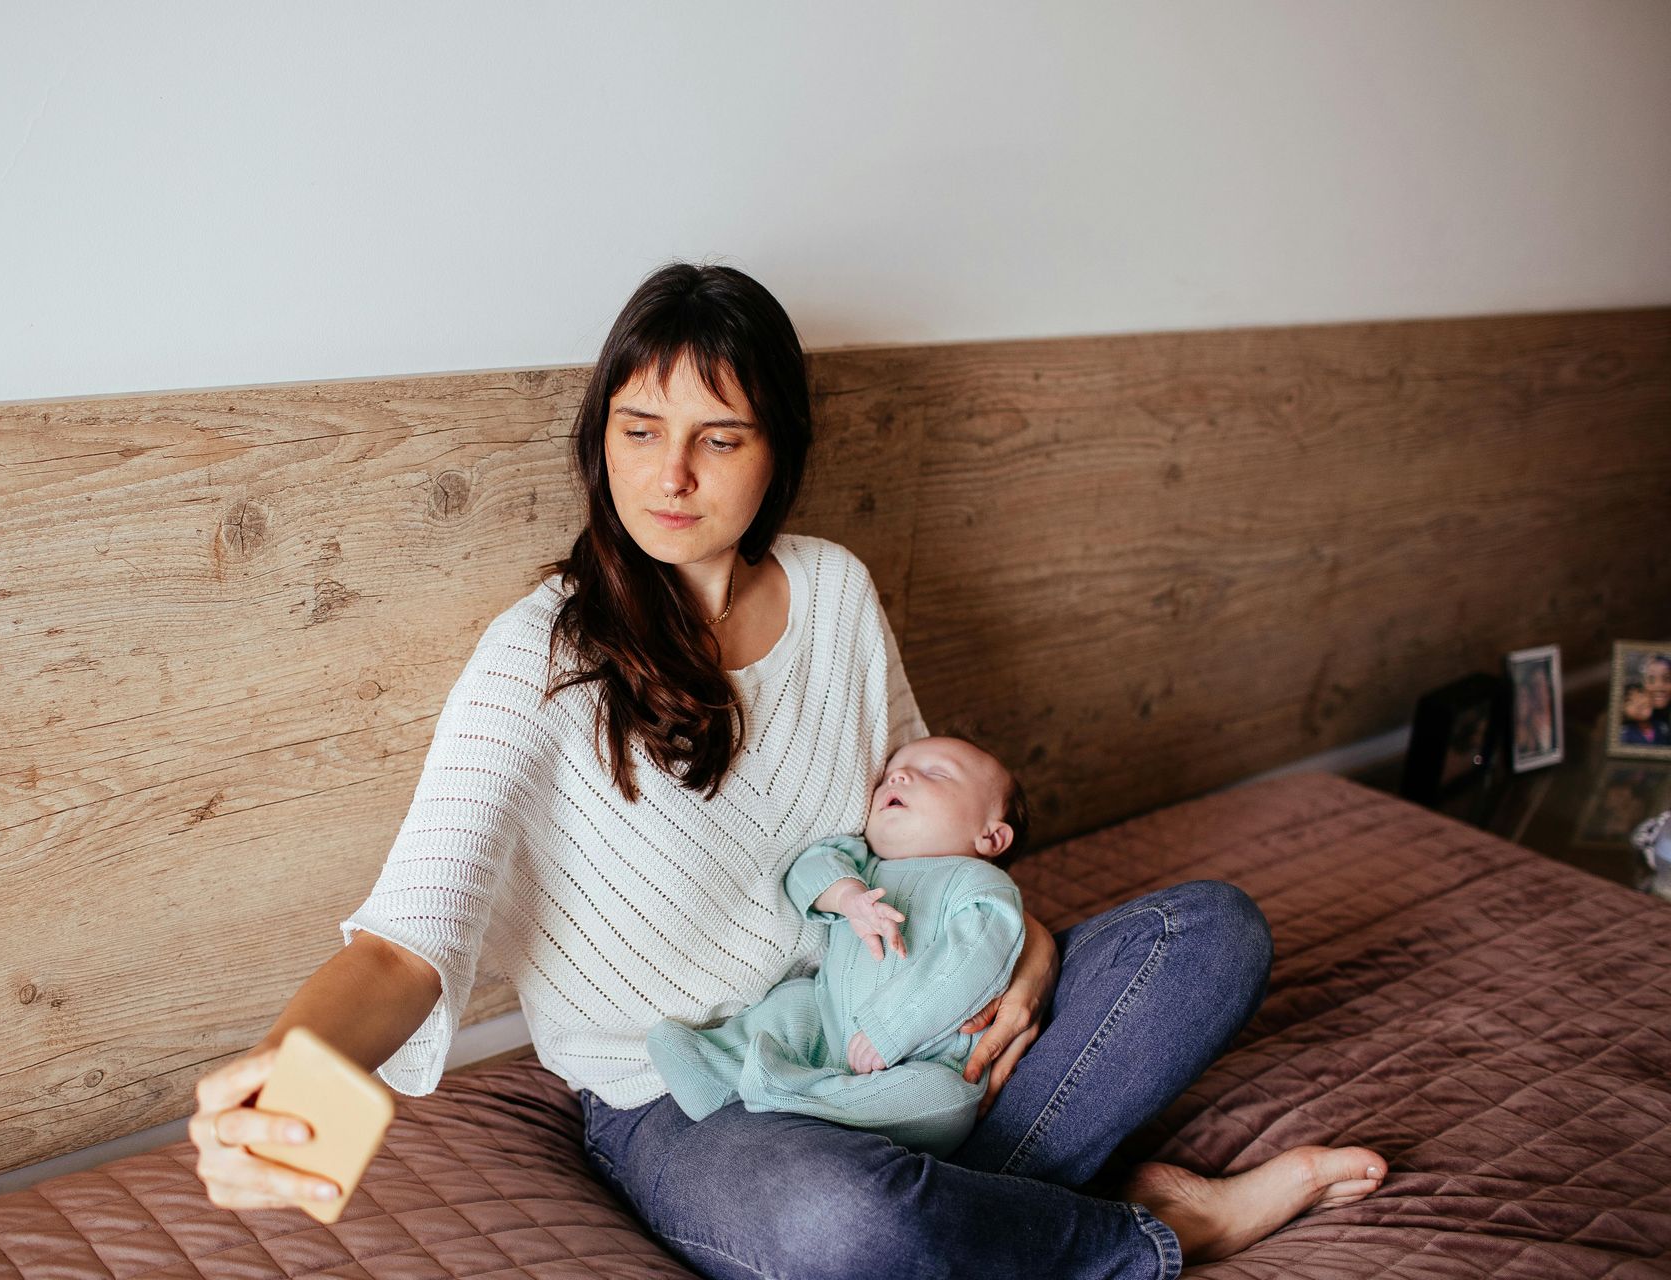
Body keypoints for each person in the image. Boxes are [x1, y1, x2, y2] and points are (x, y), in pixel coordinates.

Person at [187, 260, 1387, 1279]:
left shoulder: (836, 591)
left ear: (780, 454)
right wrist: (292, 1070)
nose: (671, 476)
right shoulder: (537, 659)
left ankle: (969, 1215)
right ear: (599, 436)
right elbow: (404, 940)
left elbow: (912, 828)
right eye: (639, 430)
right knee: (843, 1217)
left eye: (720, 437)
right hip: (692, 1098)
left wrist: (1025, 946)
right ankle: (1155, 1226)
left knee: (1213, 932)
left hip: (887, 1012)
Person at [646, 733, 1031, 1158]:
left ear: (991, 838)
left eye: (934, 772)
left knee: (945, 1101)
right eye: (890, 775)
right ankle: (716, 1063)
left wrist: (891, 1030)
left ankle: (788, 1097)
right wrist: (848, 896)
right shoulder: (863, 862)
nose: (898, 776)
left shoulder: (982, 887)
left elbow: (969, 964)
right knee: (789, 1005)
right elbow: (806, 872)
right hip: (827, 1021)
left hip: (922, 1055)